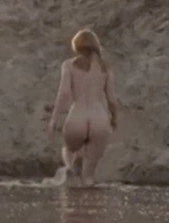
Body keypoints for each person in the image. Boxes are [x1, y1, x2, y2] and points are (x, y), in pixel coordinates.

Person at [47, 29, 119, 186]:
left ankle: (70, 167)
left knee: (68, 149)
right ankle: (85, 180)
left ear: (76, 46)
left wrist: (54, 118)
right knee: (88, 178)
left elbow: (64, 93)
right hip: (99, 118)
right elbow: (112, 99)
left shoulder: (69, 65)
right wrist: (114, 118)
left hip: (77, 115)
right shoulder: (105, 68)